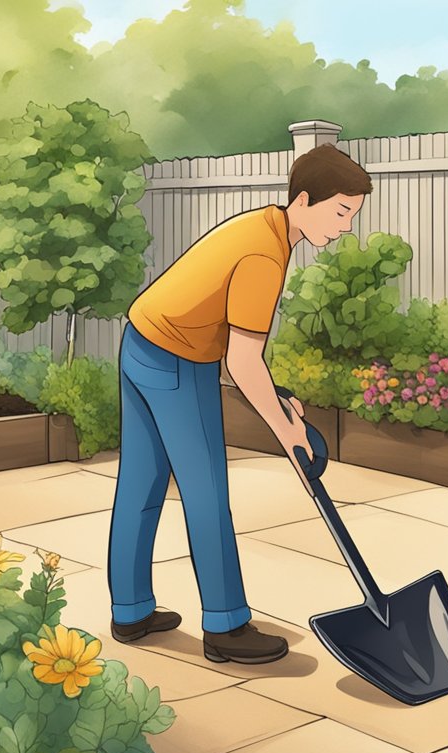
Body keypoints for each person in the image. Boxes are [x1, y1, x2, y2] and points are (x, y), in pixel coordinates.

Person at [107, 143, 371, 664]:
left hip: (140, 341)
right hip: (177, 359)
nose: (344, 226)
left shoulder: (262, 227)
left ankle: (130, 609)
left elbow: (235, 347)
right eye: (340, 211)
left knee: (141, 483)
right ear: (303, 200)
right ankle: (226, 626)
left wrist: (279, 400)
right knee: (205, 488)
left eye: (352, 215)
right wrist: (286, 429)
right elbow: (242, 362)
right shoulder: (264, 254)